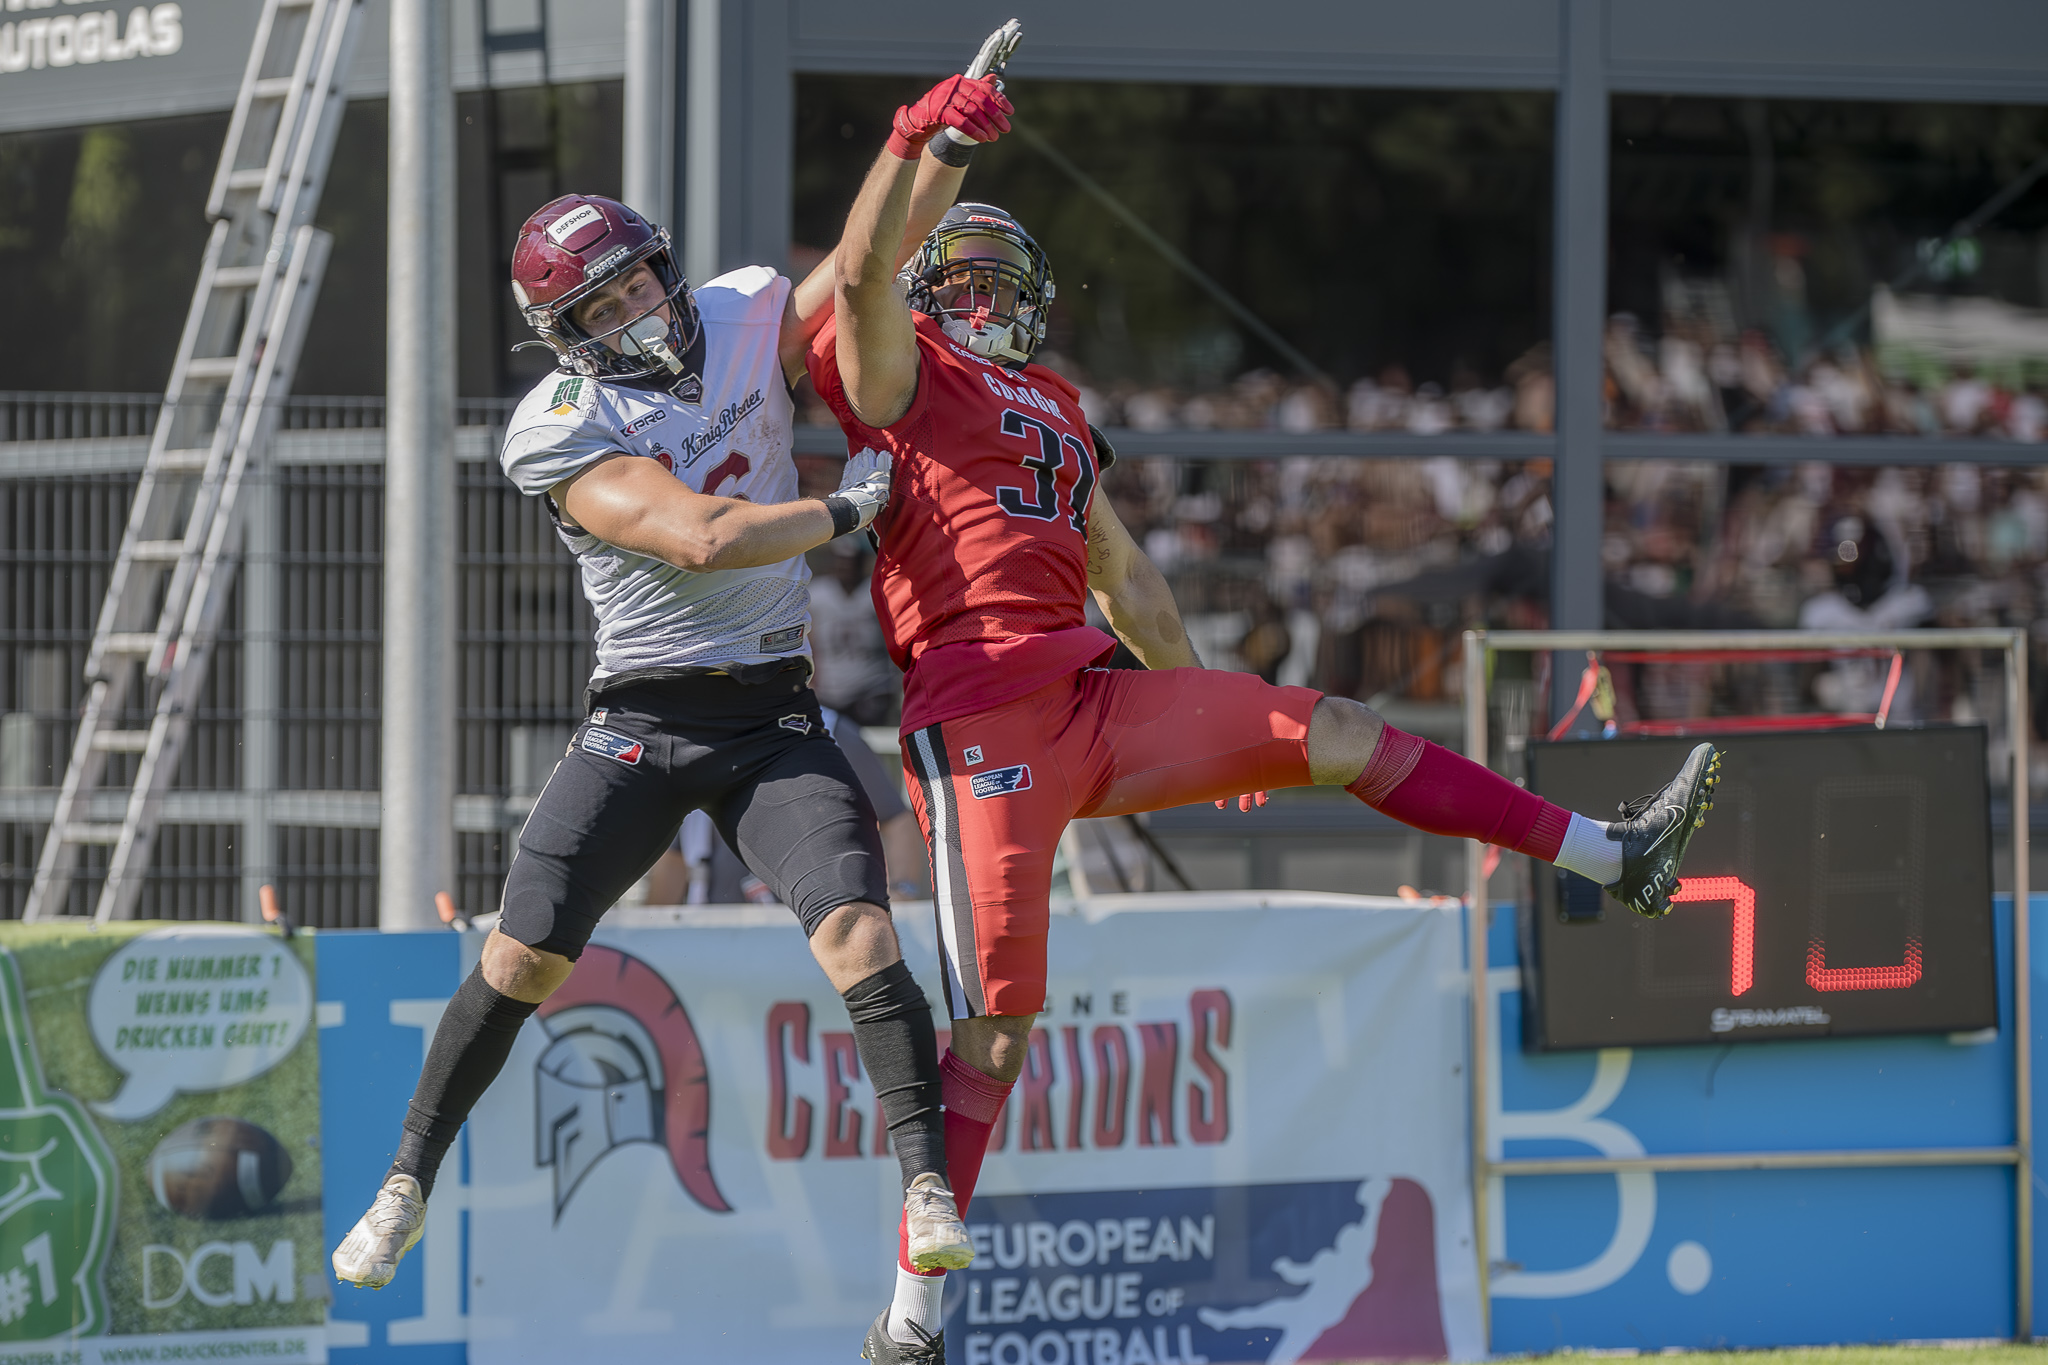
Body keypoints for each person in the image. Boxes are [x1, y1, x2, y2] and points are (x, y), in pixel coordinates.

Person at [809, 131, 1722, 1364]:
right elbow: (862, 274)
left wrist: (1204, 717)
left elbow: (1122, 574)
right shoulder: (899, 377)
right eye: (957, 284)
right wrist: (927, 143)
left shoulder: (1057, 408)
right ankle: (913, 1315)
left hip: (1092, 700)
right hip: (977, 724)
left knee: (1337, 728)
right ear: (928, 302)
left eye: (997, 286)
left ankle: (1609, 857)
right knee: (1001, 1030)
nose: (980, 303)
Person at [331, 71, 1018, 1306]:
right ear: (567, 335)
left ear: (663, 264)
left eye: (639, 278)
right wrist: (841, 508)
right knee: (520, 962)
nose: (638, 308)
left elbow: (865, 263)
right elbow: (698, 535)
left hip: (769, 712)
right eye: (603, 304)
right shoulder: (557, 423)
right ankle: (405, 1179)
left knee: (862, 932)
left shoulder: (744, 308)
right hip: (643, 719)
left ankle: (924, 1188)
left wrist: (934, 146)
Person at [647, 706, 929, 905]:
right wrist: (656, 931)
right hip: (718, 932)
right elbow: (675, 857)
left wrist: (901, 890)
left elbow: (895, 820)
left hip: (814, 931)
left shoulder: (830, 728)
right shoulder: (695, 733)